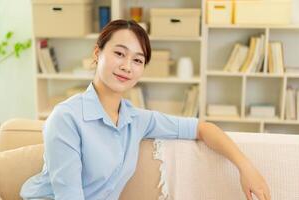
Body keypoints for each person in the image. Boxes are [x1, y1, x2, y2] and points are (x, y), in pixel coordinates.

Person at [20, 19, 271, 200]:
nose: (127, 66)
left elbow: (202, 128)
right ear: (97, 53)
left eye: (138, 60)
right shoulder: (66, 118)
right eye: (119, 53)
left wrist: (246, 168)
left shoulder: (135, 119)